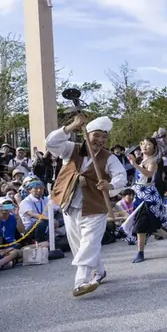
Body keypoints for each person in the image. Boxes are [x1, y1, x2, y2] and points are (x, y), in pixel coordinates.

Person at [46, 113, 127, 297]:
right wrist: (70, 127)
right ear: (86, 135)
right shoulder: (70, 149)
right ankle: (99, 271)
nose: (100, 140)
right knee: (78, 246)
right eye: (96, 135)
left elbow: (121, 177)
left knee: (89, 243)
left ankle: (80, 282)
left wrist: (110, 186)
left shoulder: (109, 158)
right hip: (70, 204)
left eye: (104, 137)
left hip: (95, 206)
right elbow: (51, 143)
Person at [125, 136, 167, 263]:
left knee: (141, 225)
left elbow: (148, 174)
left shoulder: (153, 161)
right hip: (139, 194)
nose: (144, 146)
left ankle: (140, 252)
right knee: (150, 224)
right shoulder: (140, 159)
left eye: (148, 144)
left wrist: (135, 165)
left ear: (154, 147)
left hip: (149, 196)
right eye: (143, 144)